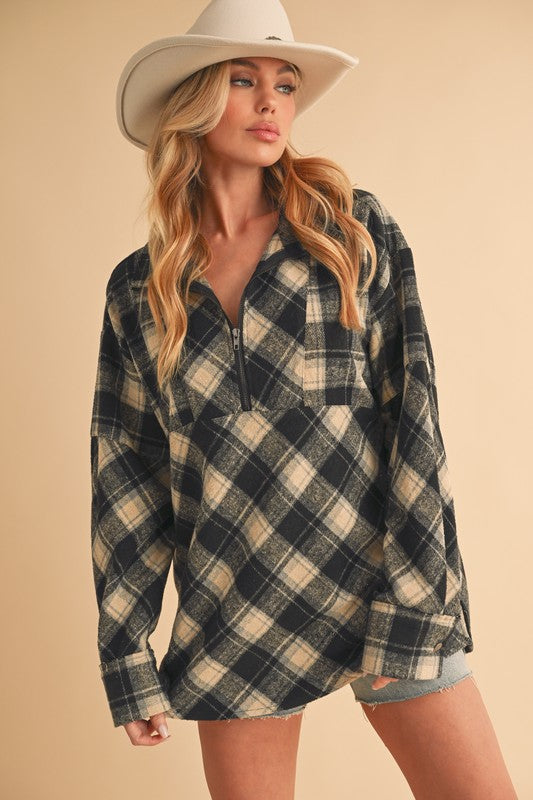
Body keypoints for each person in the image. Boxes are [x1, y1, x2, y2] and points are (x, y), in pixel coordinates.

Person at [90, 0, 518, 797]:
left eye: (284, 84)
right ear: (192, 100)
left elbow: (411, 420)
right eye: (242, 80)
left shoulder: (350, 230)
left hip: (378, 586)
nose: (270, 102)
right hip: (233, 611)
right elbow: (129, 479)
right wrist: (126, 654)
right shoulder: (139, 290)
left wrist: (415, 601)